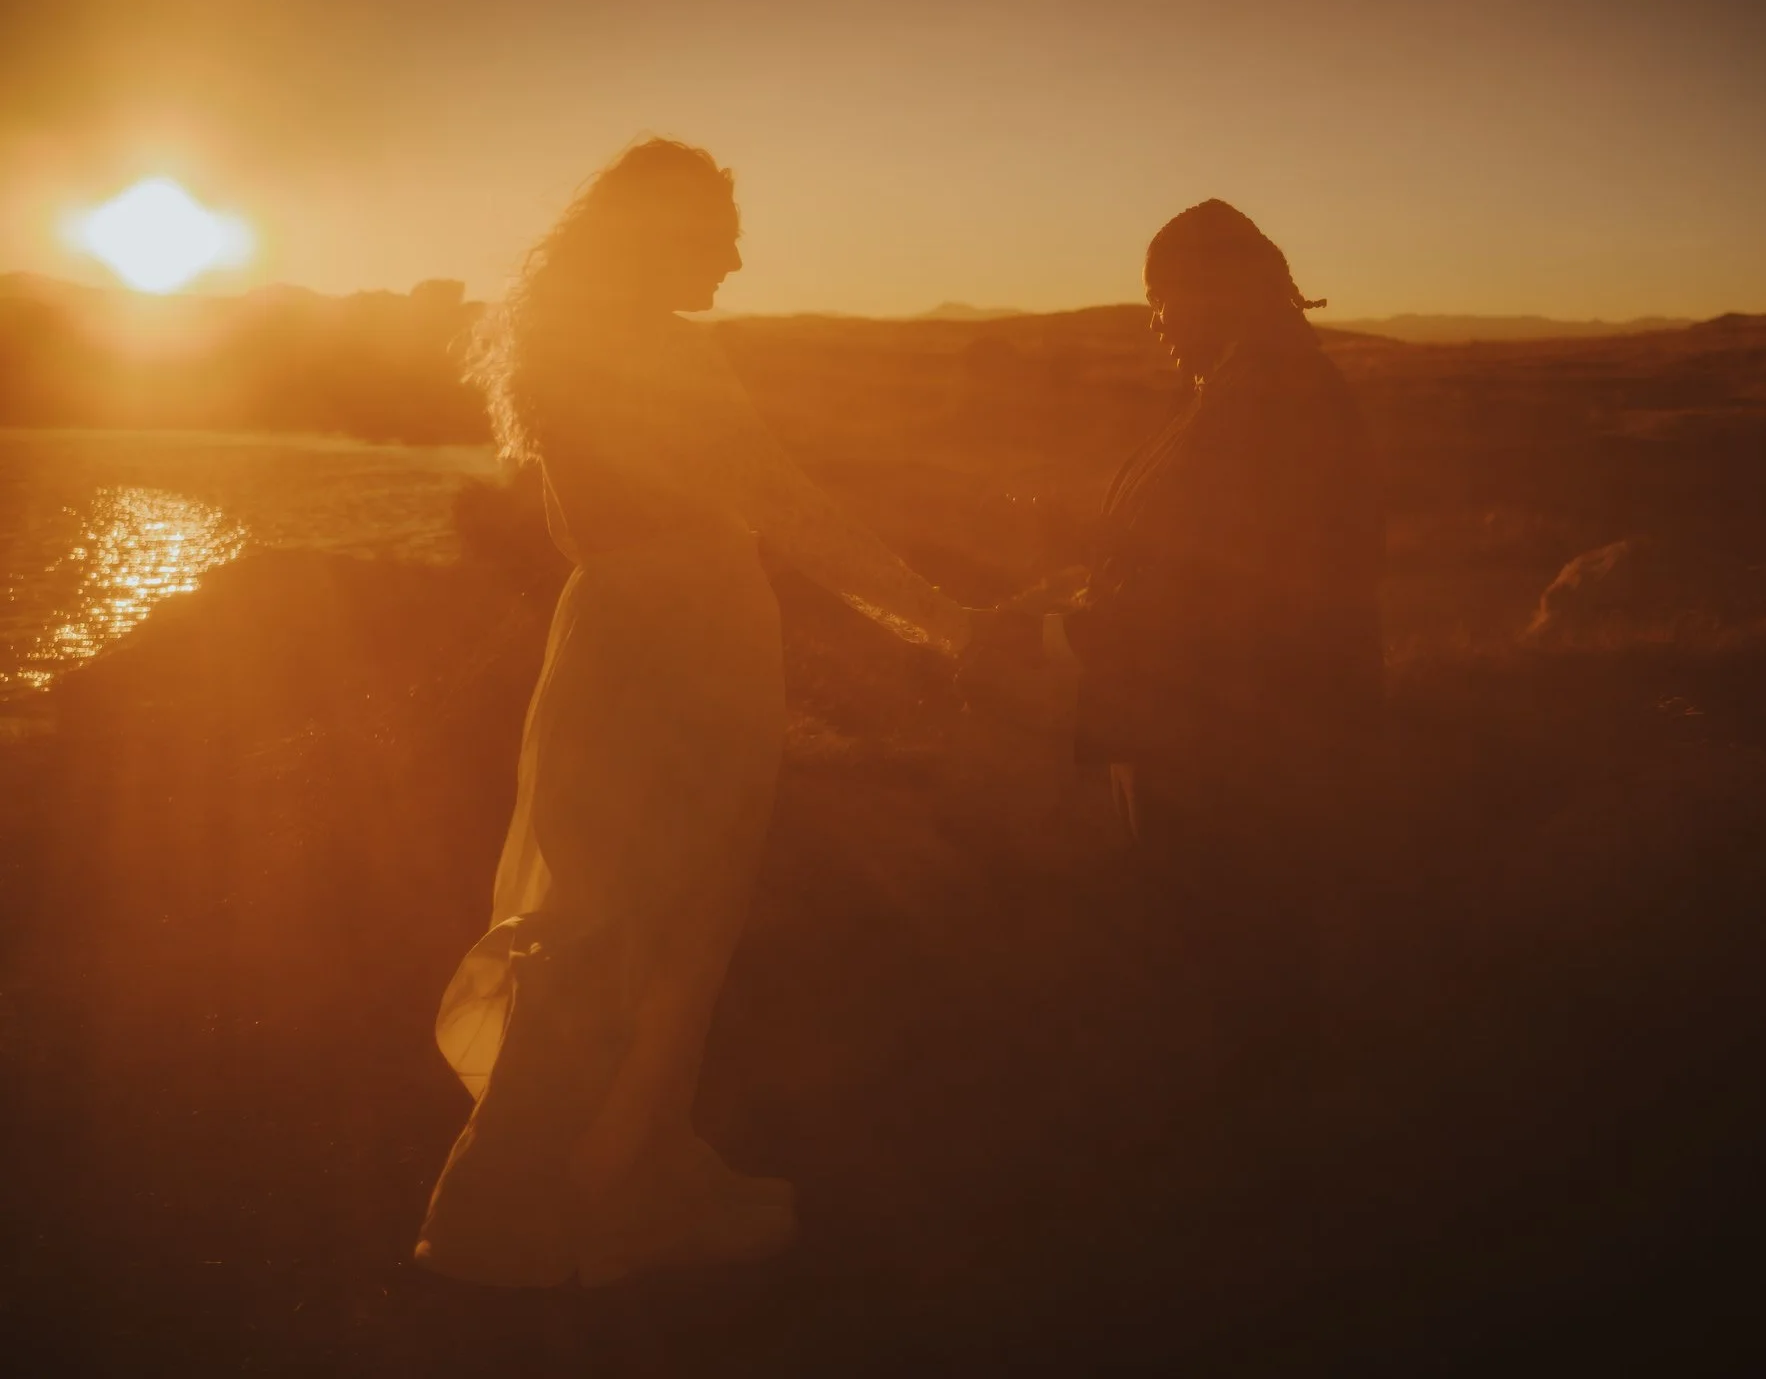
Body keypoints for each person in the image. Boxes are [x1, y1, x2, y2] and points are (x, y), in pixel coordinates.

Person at [416, 138, 973, 1288]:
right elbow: (787, 507)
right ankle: (537, 1204)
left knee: (604, 911)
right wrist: (945, 622)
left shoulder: (561, 346)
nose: (733, 252)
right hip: (690, 650)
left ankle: (604, 1170)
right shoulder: (663, 357)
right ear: (654, 235)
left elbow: (600, 530)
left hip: (613, 637)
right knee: (652, 923)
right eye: (712, 227)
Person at [968, 200, 1384, 915]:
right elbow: (1188, 541)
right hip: (1217, 746)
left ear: (1211, 295)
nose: (1155, 321)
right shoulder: (1236, 389)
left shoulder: (1276, 406)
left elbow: (1219, 597)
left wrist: (1048, 638)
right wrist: (1076, 537)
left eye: (1161, 299)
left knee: (1231, 962)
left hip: (1246, 767)